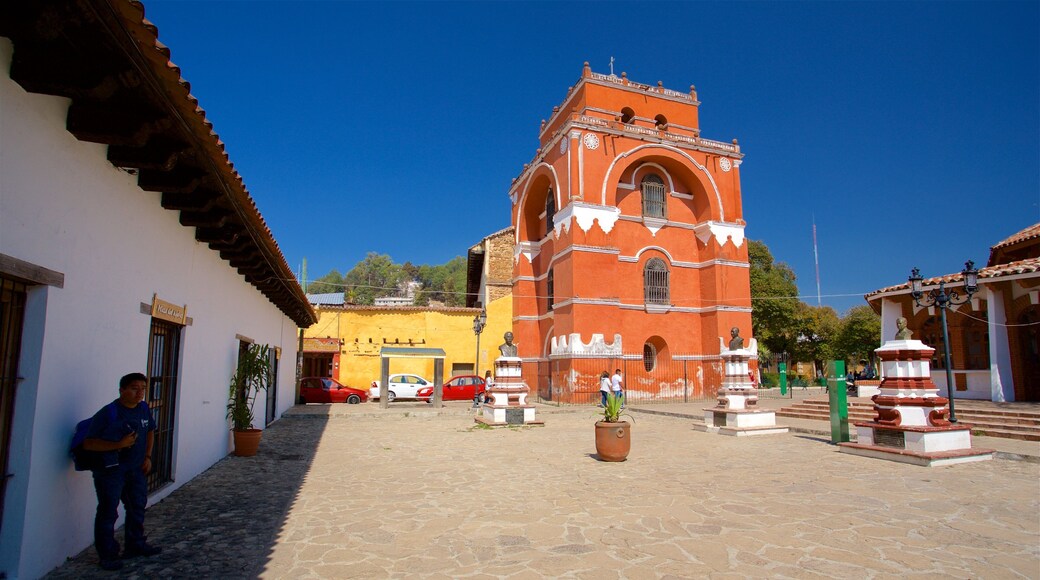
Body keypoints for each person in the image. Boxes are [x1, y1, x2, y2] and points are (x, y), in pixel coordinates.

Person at [83, 373, 161, 570]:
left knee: (137, 507)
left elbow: (151, 430)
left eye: (143, 388)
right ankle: (107, 554)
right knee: (108, 512)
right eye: (135, 388)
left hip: (135, 470)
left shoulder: (143, 408)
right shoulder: (108, 413)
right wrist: (118, 444)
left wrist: (148, 456)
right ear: (122, 390)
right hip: (111, 472)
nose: (140, 393)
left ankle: (135, 545)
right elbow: (89, 443)